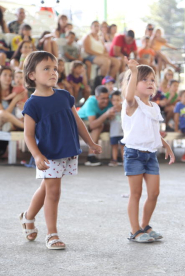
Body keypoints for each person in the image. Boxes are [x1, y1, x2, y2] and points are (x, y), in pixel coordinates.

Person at [19, 51, 101, 250]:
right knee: (53, 192)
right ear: (32, 75)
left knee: (48, 188)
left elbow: (78, 121)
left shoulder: (64, 96)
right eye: (46, 69)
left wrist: (90, 142)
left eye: (55, 68)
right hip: (49, 154)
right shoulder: (32, 104)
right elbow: (28, 135)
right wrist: (37, 155)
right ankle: (52, 234)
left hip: (66, 149)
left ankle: (28, 216)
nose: (53, 72)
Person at [121, 57, 175, 242]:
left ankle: (145, 225)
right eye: (144, 80)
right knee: (135, 194)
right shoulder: (132, 103)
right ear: (134, 84)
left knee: (154, 193)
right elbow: (128, 97)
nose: (150, 83)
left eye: (152, 79)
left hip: (151, 155)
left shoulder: (154, 106)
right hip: (134, 154)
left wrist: (165, 144)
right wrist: (134, 72)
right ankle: (135, 230)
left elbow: (153, 131)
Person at [77, 85, 114, 166]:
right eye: (103, 98)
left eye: (107, 98)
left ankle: (92, 156)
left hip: (96, 122)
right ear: (97, 97)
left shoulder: (110, 101)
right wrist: (106, 114)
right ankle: (91, 157)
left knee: (100, 125)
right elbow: (92, 125)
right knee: (98, 126)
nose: (106, 101)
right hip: (81, 121)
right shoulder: (91, 102)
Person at [0, 66, 24, 130]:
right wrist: (14, 100)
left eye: (10, 75)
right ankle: (27, 127)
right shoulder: (15, 96)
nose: (8, 77)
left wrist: (24, 106)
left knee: (8, 125)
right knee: (1, 113)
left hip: (17, 118)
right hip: (2, 119)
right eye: (5, 75)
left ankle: (13, 127)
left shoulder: (16, 90)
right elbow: (4, 115)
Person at [108, 90, 124, 167]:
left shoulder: (124, 109)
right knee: (114, 146)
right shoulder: (110, 110)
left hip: (122, 132)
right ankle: (114, 160)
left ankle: (125, 160)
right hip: (114, 132)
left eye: (118, 100)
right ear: (111, 101)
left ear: (121, 100)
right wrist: (112, 113)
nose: (116, 102)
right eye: (114, 100)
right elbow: (109, 118)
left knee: (123, 146)